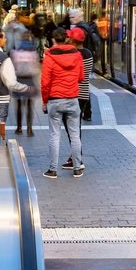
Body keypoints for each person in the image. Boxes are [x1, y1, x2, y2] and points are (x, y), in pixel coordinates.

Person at [40, 27, 84, 178]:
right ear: (66, 39)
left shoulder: (49, 56)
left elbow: (45, 82)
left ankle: (53, 170)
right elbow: (81, 77)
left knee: (54, 135)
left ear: (53, 40)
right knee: (74, 135)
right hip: (72, 99)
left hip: (55, 100)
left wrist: (44, 101)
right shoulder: (77, 55)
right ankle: (77, 167)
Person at [9, 24, 39, 135]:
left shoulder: (15, 52)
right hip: (30, 79)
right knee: (30, 105)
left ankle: (19, 127)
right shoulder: (33, 52)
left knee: (18, 105)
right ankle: (30, 129)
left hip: (19, 79)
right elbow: (36, 66)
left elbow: (12, 66)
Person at [70, 27, 95, 122]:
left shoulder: (73, 54)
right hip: (84, 93)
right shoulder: (88, 53)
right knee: (77, 121)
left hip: (74, 92)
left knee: (73, 121)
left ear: (72, 40)